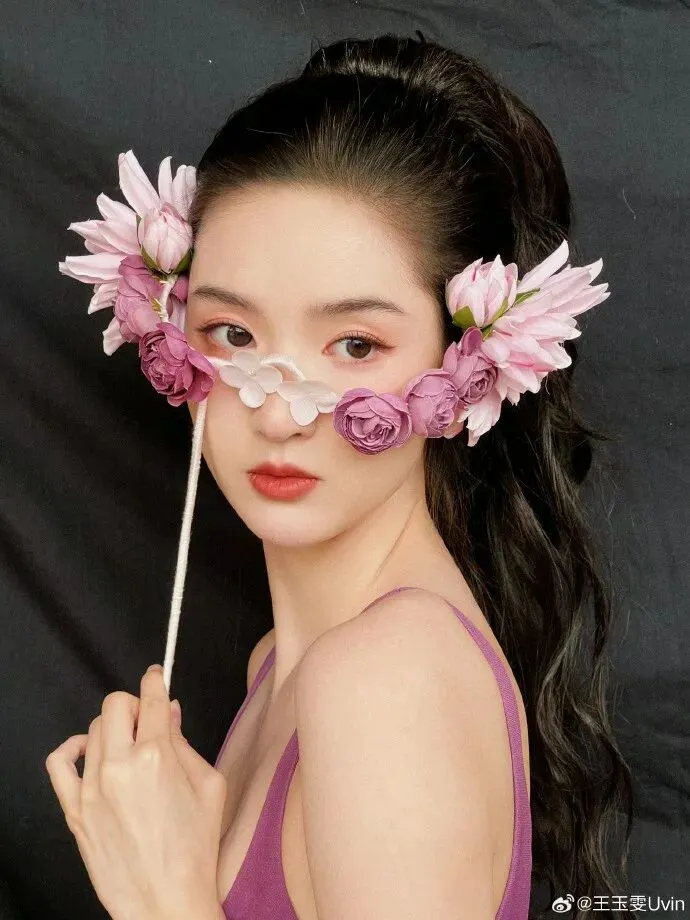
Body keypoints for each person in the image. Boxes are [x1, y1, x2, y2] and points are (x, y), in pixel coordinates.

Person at [48, 32, 635, 920]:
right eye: (232, 335)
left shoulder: (384, 682)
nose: (279, 416)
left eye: (355, 345)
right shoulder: (287, 665)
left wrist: (163, 901)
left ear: (470, 364)